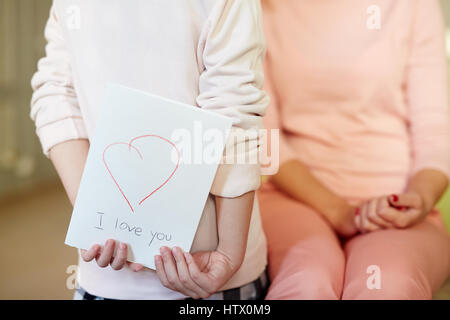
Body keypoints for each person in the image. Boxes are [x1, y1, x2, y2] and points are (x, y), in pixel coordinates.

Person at [31, 0, 268, 300]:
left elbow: (56, 95)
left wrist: (97, 217)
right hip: (212, 272)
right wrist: (229, 253)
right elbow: (235, 109)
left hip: (110, 275)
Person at [260, 0, 450, 299]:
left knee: (388, 284)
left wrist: (419, 198)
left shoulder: (414, 6)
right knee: (308, 279)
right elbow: (264, 139)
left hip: (393, 204)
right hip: (293, 198)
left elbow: (434, 130)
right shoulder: (255, 8)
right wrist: (339, 211)